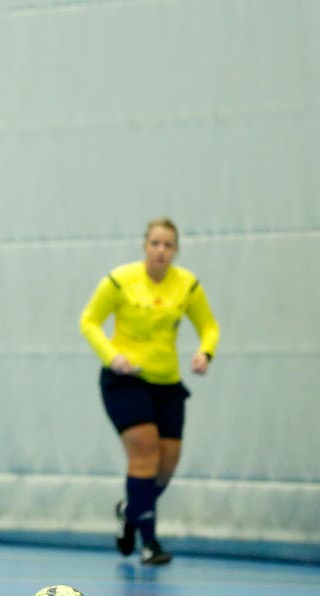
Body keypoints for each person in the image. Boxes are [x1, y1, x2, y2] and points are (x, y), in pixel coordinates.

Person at [79, 217, 220, 567]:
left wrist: (205, 352)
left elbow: (209, 326)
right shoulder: (120, 280)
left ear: (175, 250)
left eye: (168, 245)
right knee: (144, 453)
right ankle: (150, 542)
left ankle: (130, 510)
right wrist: (113, 357)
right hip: (125, 381)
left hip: (167, 383)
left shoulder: (186, 285)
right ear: (145, 246)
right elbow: (89, 321)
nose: (161, 250)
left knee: (165, 467)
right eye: (155, 243)